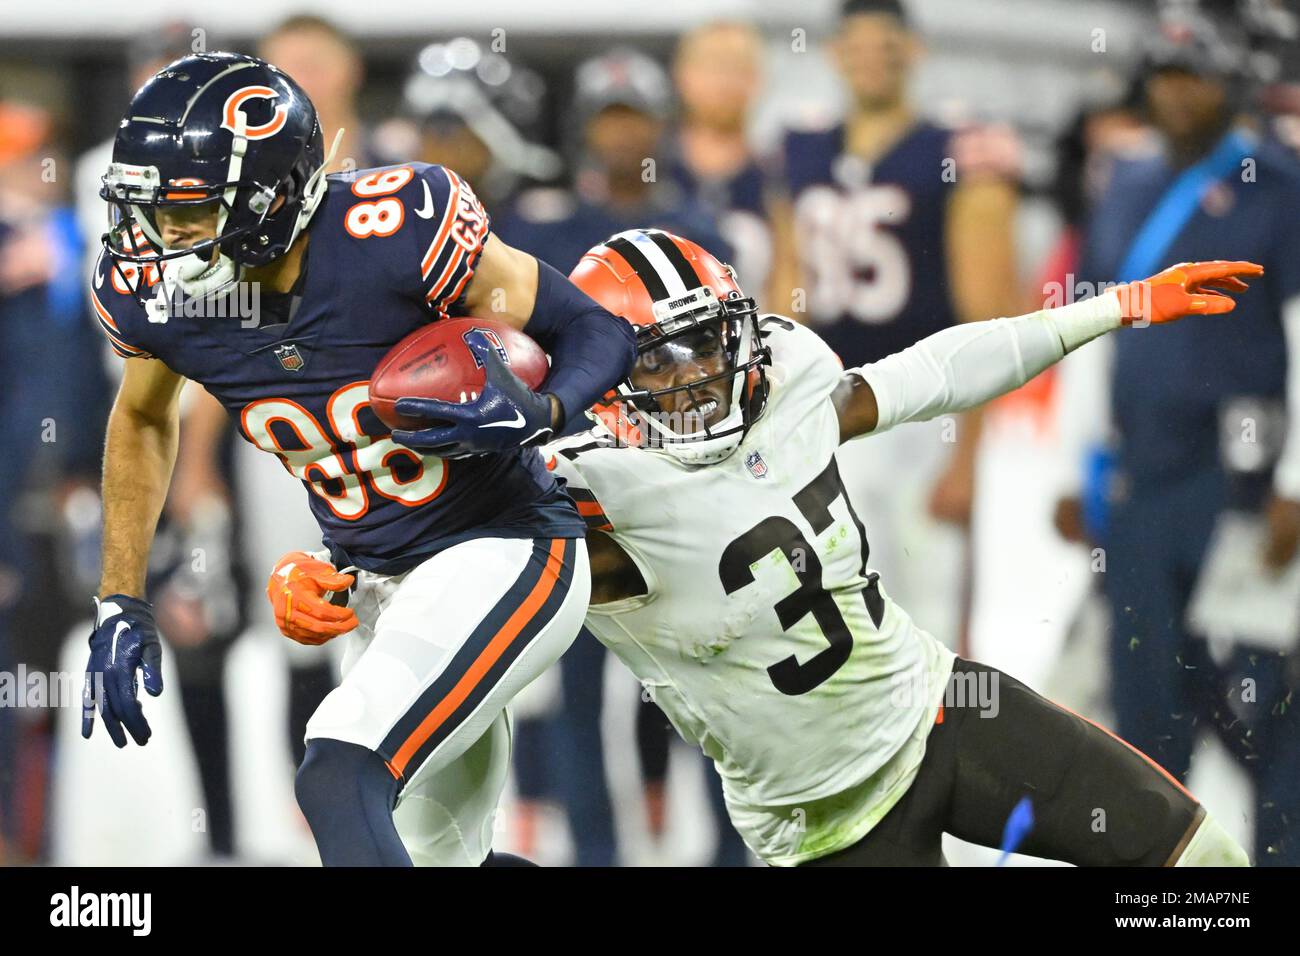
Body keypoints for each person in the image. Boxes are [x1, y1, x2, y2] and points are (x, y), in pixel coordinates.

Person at [536, 228, 1255, 866]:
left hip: (939, 710)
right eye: (661, 360)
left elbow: (935, 373)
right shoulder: (592, 500)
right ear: (604, 377)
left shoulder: (788, 381)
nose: (697, 375)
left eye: (706, 341)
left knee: (1200, 859)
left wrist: (1113, 307)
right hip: (823, 821)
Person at [82, 51, 636, 867]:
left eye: (189, 214)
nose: (162, 238)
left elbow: (595, 327)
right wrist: (119, 597)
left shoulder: (391, 232)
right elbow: (141, 416)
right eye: (152, 211)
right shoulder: (170, 296)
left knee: (339, 769)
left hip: (503, 543)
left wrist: (544, 411)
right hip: (376, 581)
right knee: (438, 855)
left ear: (270, 197)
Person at [494, 48, 747, 866]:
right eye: (609, 118)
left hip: (680, 484)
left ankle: (731, 852)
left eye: (634, 116)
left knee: (712, 679)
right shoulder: (532, 227)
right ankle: (596, 855)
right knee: (572, 696)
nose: (623, 134)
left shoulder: (702, 228)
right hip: (576, 481)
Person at [1068, 7, 1300, 864]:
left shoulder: (1278, 185)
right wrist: (1076, 463)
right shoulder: (1123, 185)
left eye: (1193, 73)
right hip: (1140, 481)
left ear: (1229, 80)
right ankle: (1157, 881)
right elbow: (1089, 326)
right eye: (1164, 75)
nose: (1177, 91)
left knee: (1261, 705)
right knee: (1143, 705)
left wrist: (1295, 487)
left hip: (1239, 485)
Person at [774, 0, 1021, 650]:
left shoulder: (954, 148)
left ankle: (942, 750)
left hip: (922, 409)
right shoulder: (801, 148)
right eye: (857, 45)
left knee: (928, 616)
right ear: (834, 54)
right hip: (824, 409)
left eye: (887, 45)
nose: (871, 59)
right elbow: (784, 295)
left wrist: (968, 456)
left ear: (914, 53)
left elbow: (990, 315)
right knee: (833, 619)